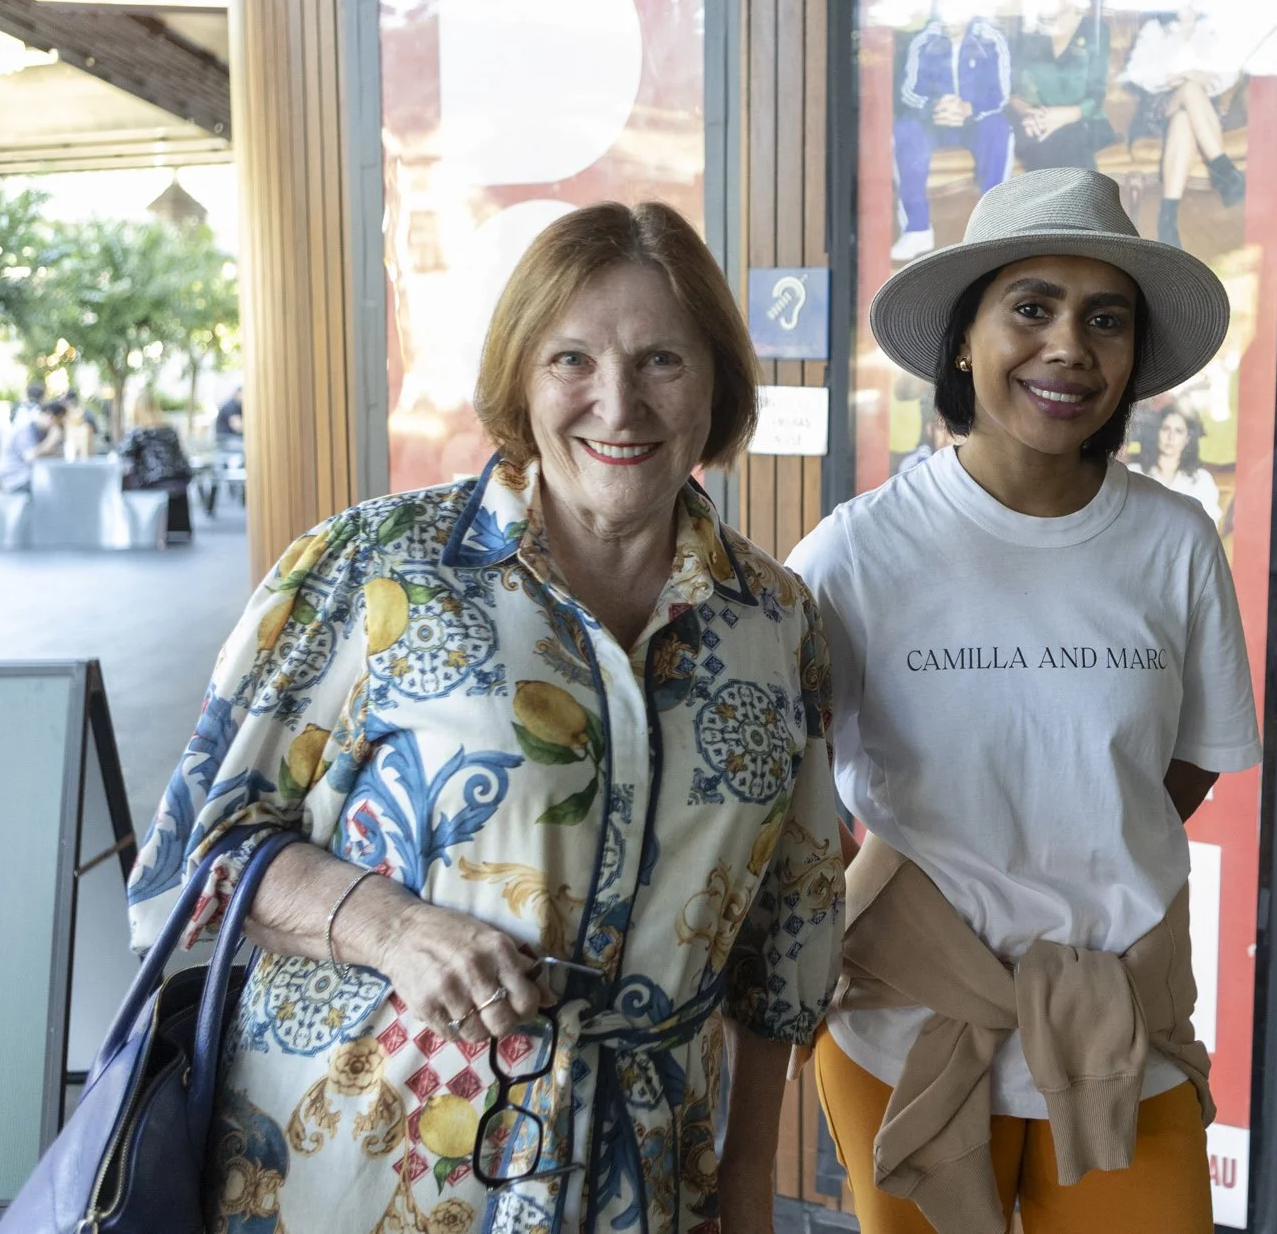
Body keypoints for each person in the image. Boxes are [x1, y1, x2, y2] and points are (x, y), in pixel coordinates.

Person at [123, 202, 843, 1234]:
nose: (617, 402)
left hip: (639, 1182)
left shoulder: (776, 623)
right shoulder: (375, 571)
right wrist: (391, 927)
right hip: (363, 1168)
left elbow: (788, 936)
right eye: (570, 359)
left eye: (660, 361)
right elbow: (201, 856)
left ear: (718, 382)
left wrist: (743, 1189)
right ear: (517, 377)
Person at [788, 168, 1261, 1232]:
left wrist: (1069, 853)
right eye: (1031, 308)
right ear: (964, 339)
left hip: (1116, 1020)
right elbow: (782, 779)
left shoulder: (1173, 541)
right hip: (905, 1021)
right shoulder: (856, 554)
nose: (1069, 348)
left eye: (1105, 321)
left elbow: (1176, 770)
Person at [892, 0, 1015, 262]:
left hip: (975, 119)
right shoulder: (925, 40)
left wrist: (968, 108)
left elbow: (1002, 92)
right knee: (905, 130)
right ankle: (917, 228)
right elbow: (909, 91)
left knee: (999, 130)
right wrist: (935, 107)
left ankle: (993, 227)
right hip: (936, 119)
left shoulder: (990, 38)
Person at [1120, 0, 1247, 246]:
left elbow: (1229, 73)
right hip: (1159, 108)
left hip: (1199, 110)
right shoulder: (1155, 29)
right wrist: (1183, 76)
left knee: (1185, 119)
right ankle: (1224, 170)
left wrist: (1199, 79)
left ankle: (1167, 218)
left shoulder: (1212, 30)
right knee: (1189, 89)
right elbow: (1137, 72)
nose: (1187, 3)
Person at [1008, 0, 1114, 172]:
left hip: (1084, 120)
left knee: (1067, 139)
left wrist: (1061, 117)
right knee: (1042, 140)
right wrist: (1031, 114)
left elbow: (1096, 95)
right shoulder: (1032, 34)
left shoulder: (1095, 31)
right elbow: (1014, 92)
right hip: (1037, 121)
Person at [1131, 404, 1220, 520]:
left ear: (1187, 438)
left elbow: (1210, 527)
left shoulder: (1202, 480)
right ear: (1157, 432)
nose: (1170, 437)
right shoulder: (1133, 472)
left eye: (1178, 431)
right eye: (1165, 429)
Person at [117, 391, 194, 496]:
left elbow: (124, 459)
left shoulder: (137, 433)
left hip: (152, 487)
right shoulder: (170, 430)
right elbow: (181, 458)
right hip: (179, 484)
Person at [0, 399, 65, 494]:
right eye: (59, 421)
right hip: (14, 478)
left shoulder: (43, 432)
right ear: (50, 416)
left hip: (29, 477)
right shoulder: (26, 430)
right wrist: (51, 441)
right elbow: (30, 456)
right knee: (54, 487)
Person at [214, 383, 244, 450]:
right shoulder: (231, 406)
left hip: (233, 438)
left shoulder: (239, 405)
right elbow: (238, 427)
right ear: (238, 394)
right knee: (249, 447)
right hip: (225, 439)